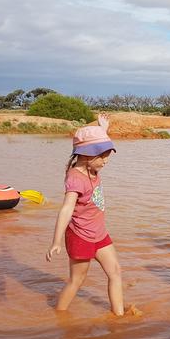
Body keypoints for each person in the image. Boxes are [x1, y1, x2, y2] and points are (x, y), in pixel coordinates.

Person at [46, 114, 124, 316]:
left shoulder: (91, 164)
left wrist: (102, 128)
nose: (106, 162)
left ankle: (119, 318)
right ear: (88, 155)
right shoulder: (75, 179)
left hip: (100, 234)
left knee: (115, 272)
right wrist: (56, 242)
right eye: (103, 156)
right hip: (80, 236)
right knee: (77, 281)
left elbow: (94, 145)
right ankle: (60, 317)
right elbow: (66, 210)